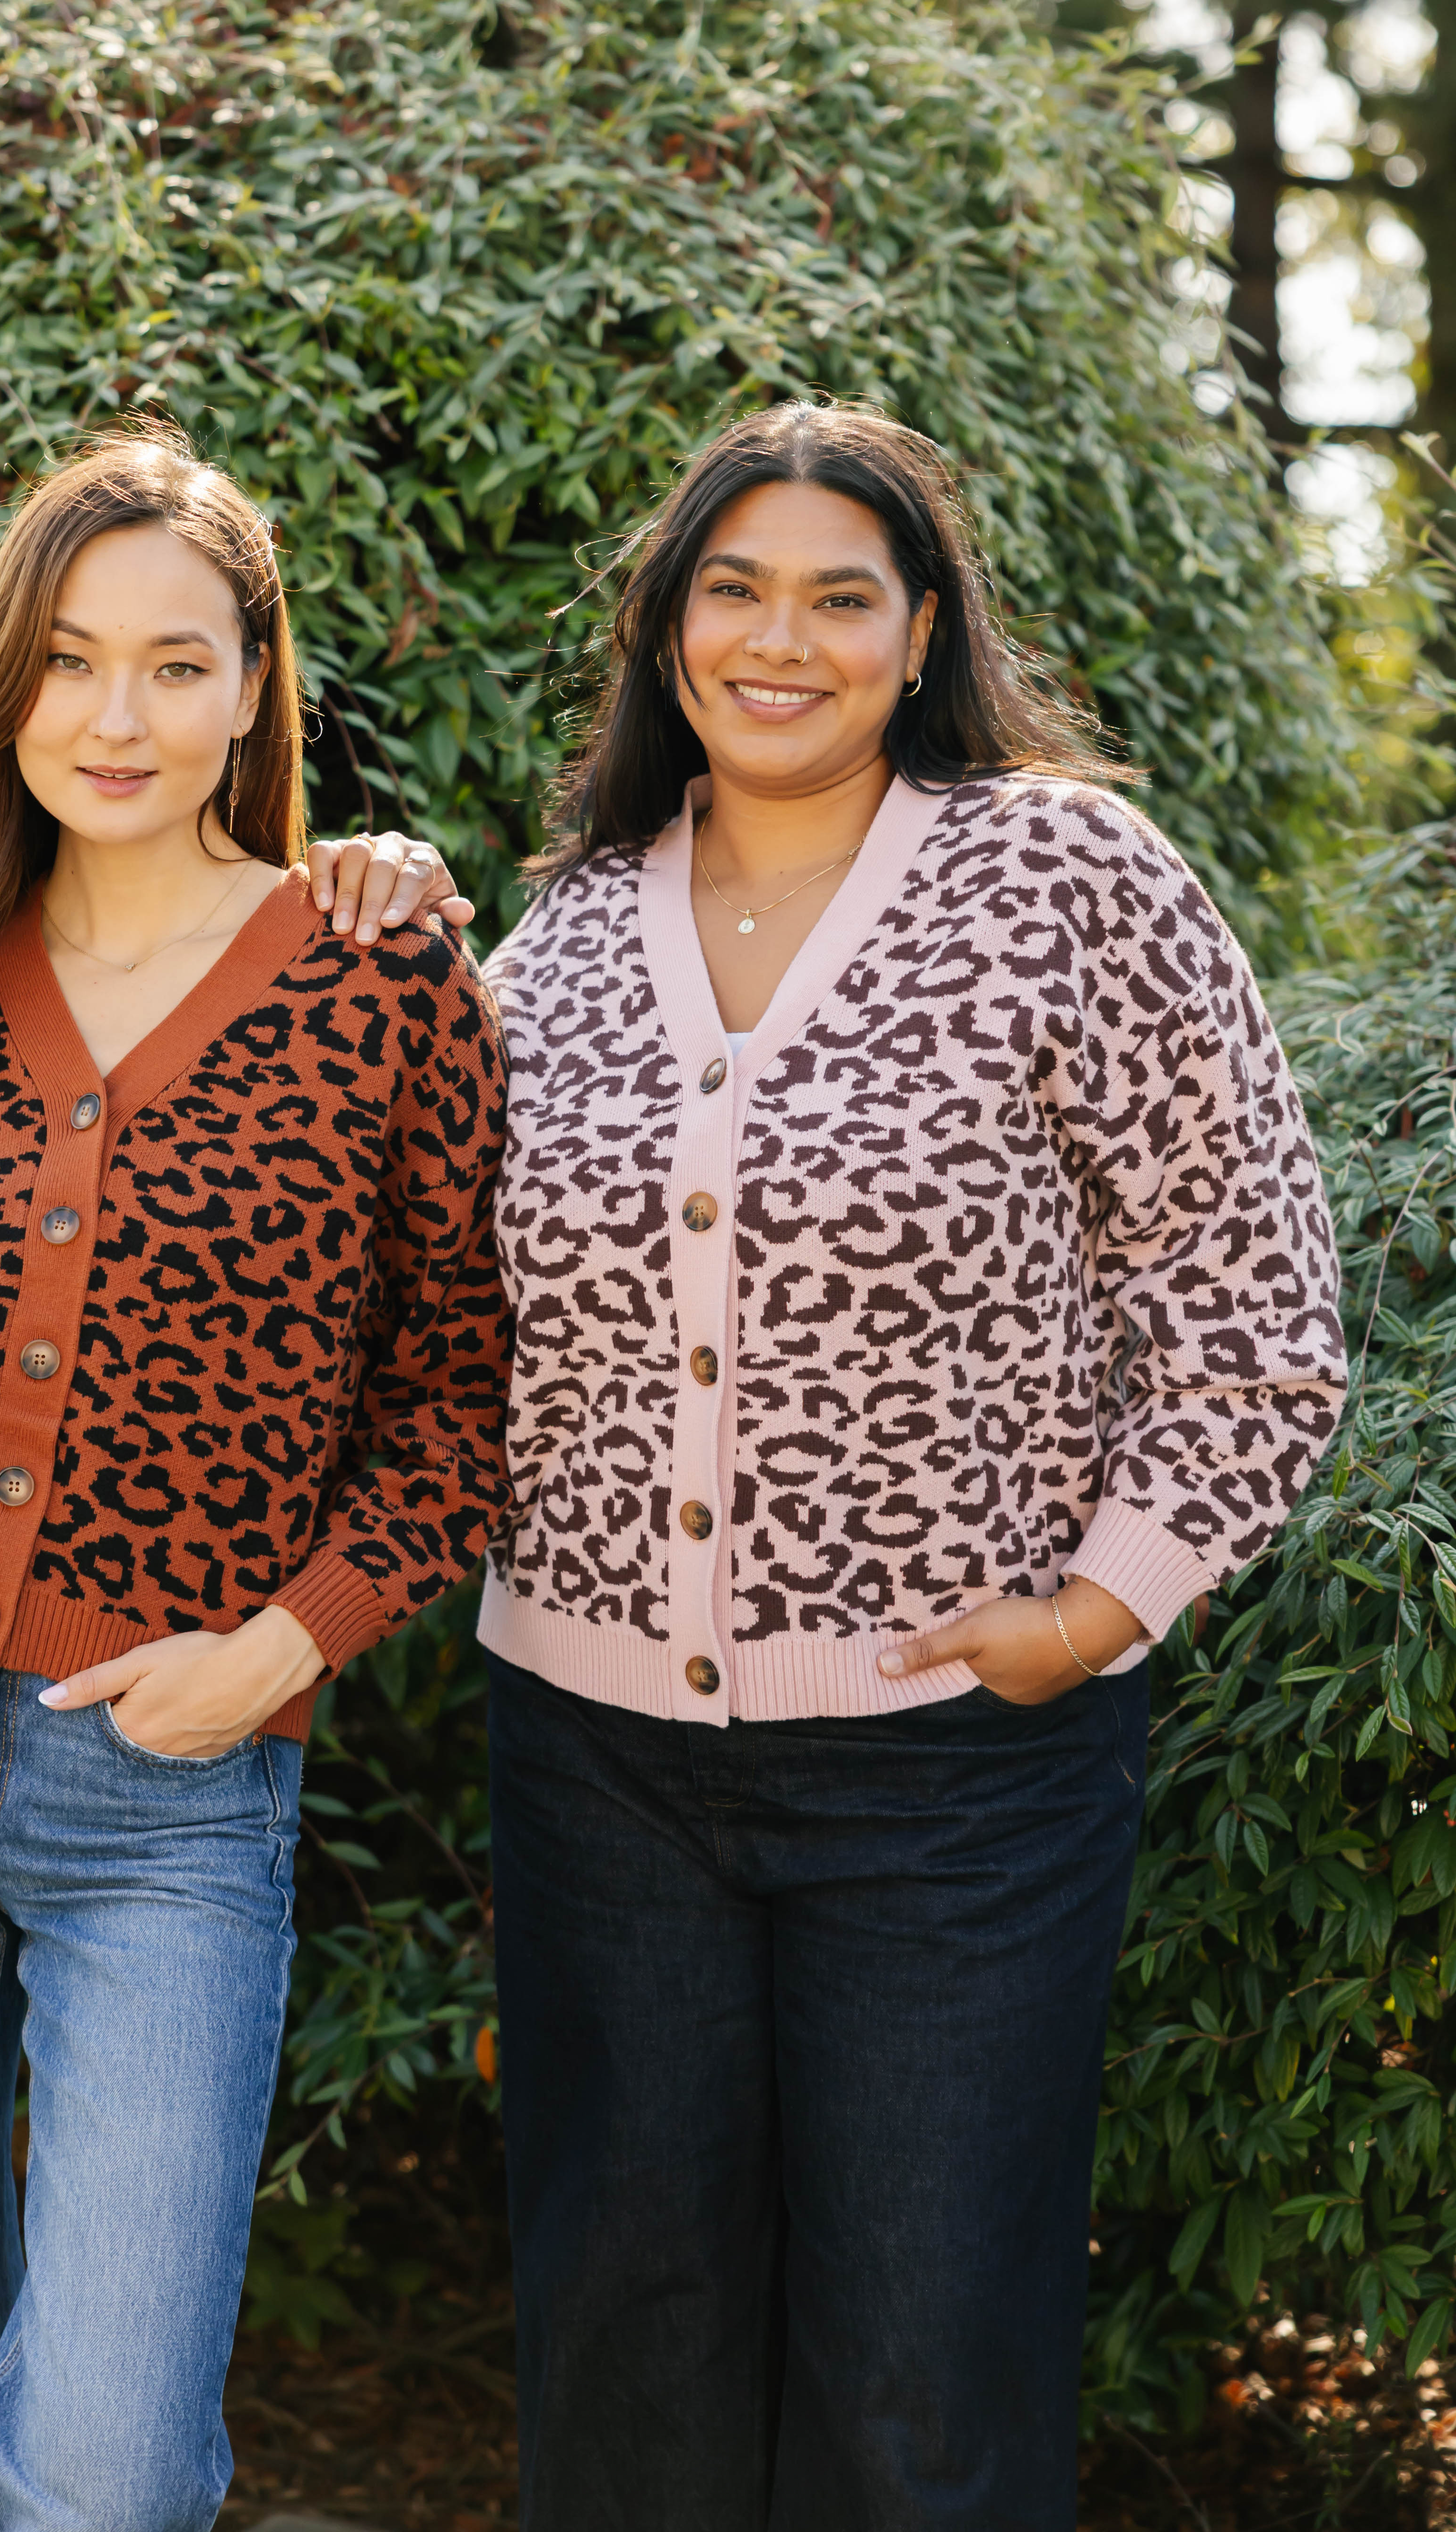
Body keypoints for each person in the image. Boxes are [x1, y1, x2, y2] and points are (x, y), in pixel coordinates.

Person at [307, 399, 1346, 2532]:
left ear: (920, 630)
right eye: (735, 590)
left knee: (919, 2386)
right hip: (592, 1763)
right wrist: (376, 907)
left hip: (951, 1777)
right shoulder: (570, 923)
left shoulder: (1065, 875)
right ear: (668, 630)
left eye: (839, 598)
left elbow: (1253, 1304)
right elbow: (434, 1283)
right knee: (628, 2364)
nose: (781, 642)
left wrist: (1098, 1607)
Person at [0, 425, 513, 2532]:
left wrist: (284, 1649)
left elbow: (464, 1397)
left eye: (175, 662)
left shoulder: (382, 984)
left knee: (105, 2462)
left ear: (258, 688)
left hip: (166, 1786)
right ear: (7, 692)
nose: (118, 715)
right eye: (69, 662)